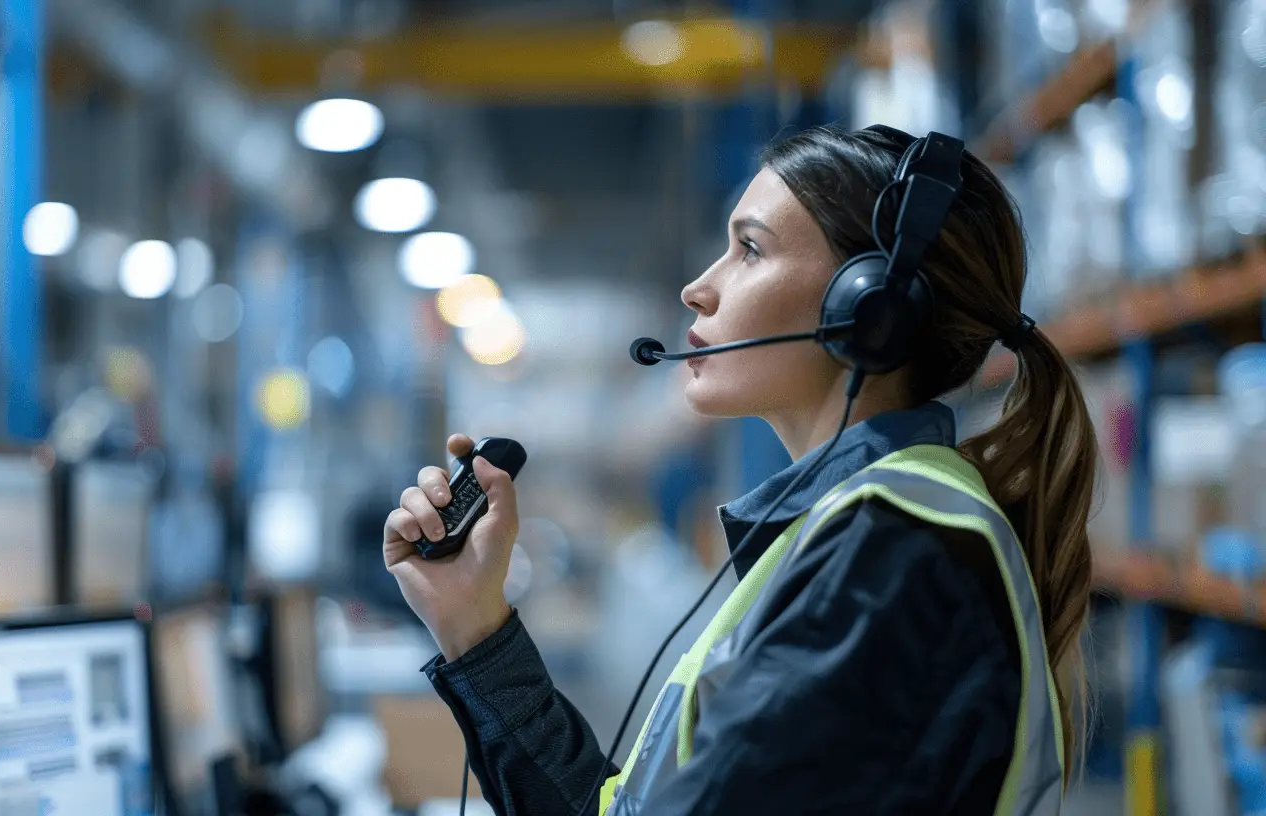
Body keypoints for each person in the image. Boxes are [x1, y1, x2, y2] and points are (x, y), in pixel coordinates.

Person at [382, 125, 1098, 815]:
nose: (698, 288)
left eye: (749, 249)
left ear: (870, 304)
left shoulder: (891, 555)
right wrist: (472, 623)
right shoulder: (857, 539)